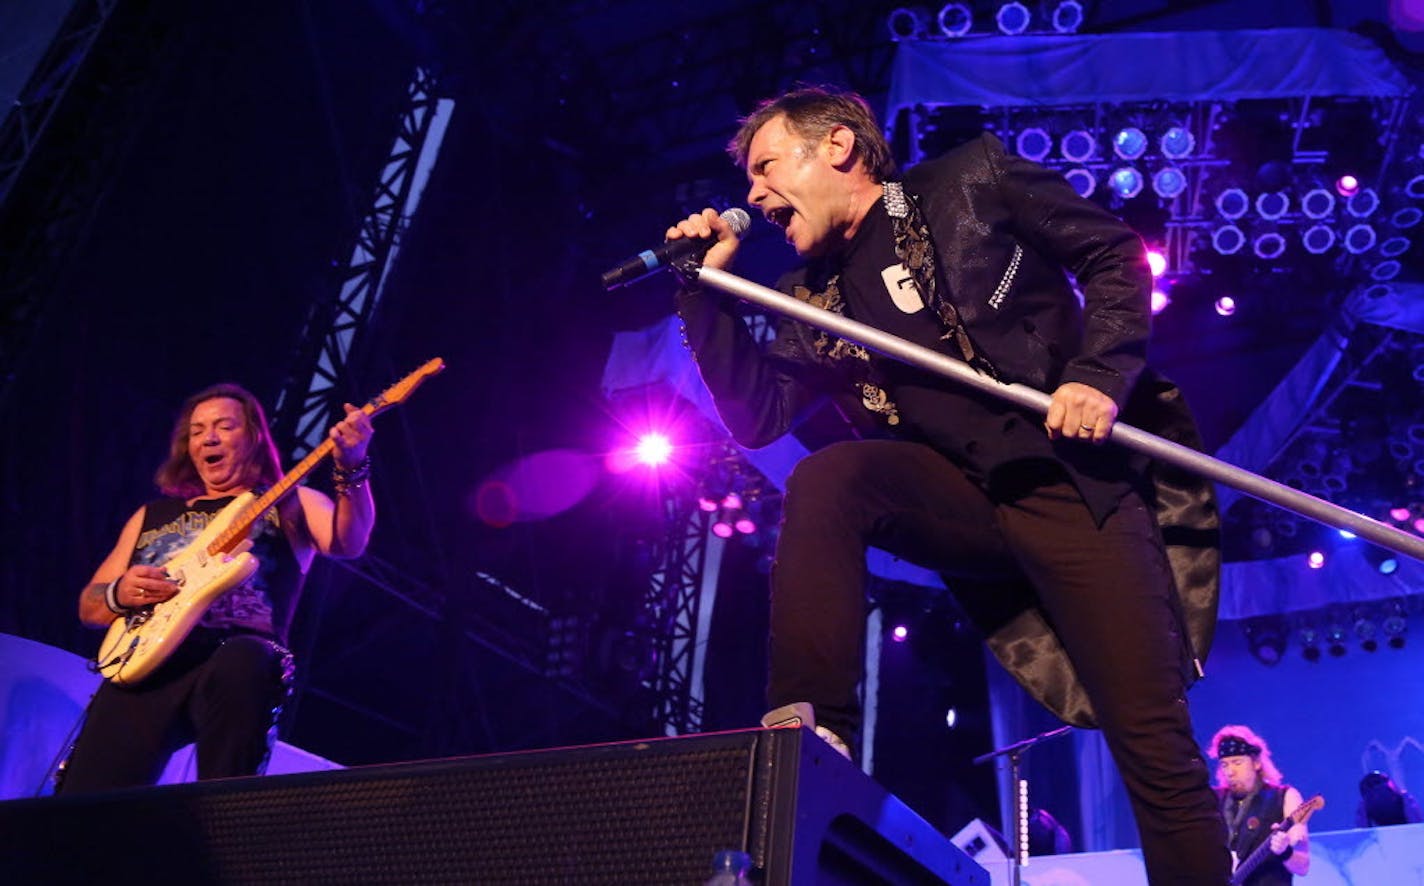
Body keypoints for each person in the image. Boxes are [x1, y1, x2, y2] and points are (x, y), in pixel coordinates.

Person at [665, 86, 1227, 883]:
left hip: (1073, 490)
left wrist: (1099, 376)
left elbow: (1112, 254)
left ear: (836, 148)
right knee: (832, 477)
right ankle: (810, 725)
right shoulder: (809, 297)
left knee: (1153, 744)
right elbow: (759, 415)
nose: (753, 194)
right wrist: (702, 291)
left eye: (765, 166)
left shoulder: (970, 179)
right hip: (962, 499)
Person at [56, 383, 374, 793]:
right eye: (197, 430)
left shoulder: (293, 503)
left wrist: (352, 466)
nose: (209, 437)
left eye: (224, 426)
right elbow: (90, 605)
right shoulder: (152, 514)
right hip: (148, 659)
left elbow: (348, 542)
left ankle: (225, 826)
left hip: (238, 661)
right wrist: (119, 592)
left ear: (255, 438)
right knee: (82, 803)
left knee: (247, 660)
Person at [1209, 727, 1309, 883]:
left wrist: (1285, 852)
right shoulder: (1213, 800)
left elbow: (1303, 866)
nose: (1230, 771)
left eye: (1237, 762)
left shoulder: (1285, 797)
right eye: (1224, 764)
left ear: (1256, 762)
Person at [1355, 769, 1424, 827]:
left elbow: (1416, 823)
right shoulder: (1365, 804)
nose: (1376, 788)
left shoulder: (1404, 797)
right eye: (1371, 785)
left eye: (1377, 782)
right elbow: (1362, 831)